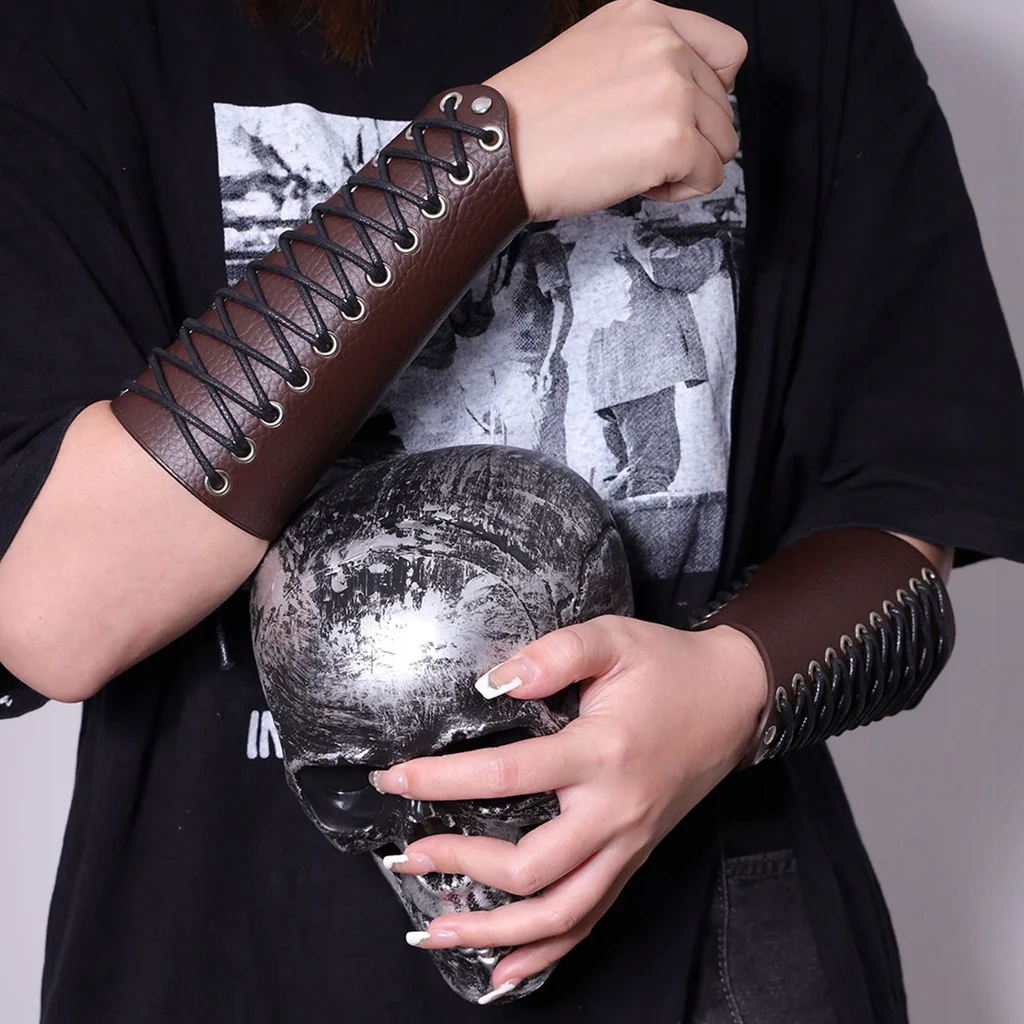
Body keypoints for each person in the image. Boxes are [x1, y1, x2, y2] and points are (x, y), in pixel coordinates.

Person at [0, 2, 1021, 1023]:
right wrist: (483, 162)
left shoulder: (794, 21)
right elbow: (52, 612)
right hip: (224, 960)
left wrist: (725, 692)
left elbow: (905, 506)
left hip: (714, 966)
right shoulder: (83, 29)